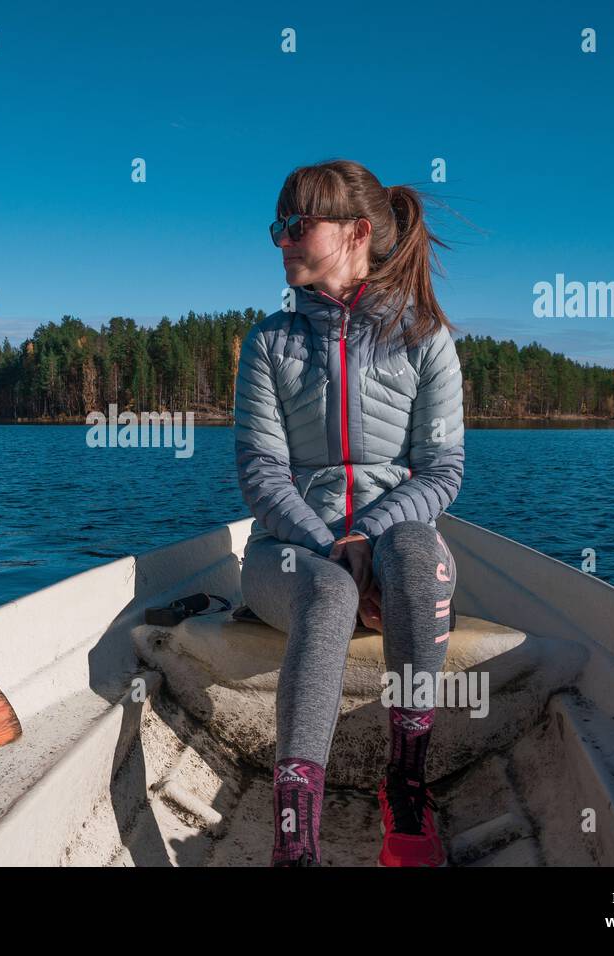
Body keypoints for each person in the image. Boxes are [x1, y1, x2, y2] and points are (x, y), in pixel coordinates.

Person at [234, 159, 464, 866]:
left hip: (393, 551)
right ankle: (295, 837)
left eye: (296, 225)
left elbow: (442, 470)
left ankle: (406, 786)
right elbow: (262, 473)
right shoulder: (268, 344)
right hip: (293, 556)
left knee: (417, 554)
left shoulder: (426, 338)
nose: (281, 240)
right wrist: (333, 547)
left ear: (357, 232)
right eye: (277, 226)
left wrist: (368, 535)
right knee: (331, 587)